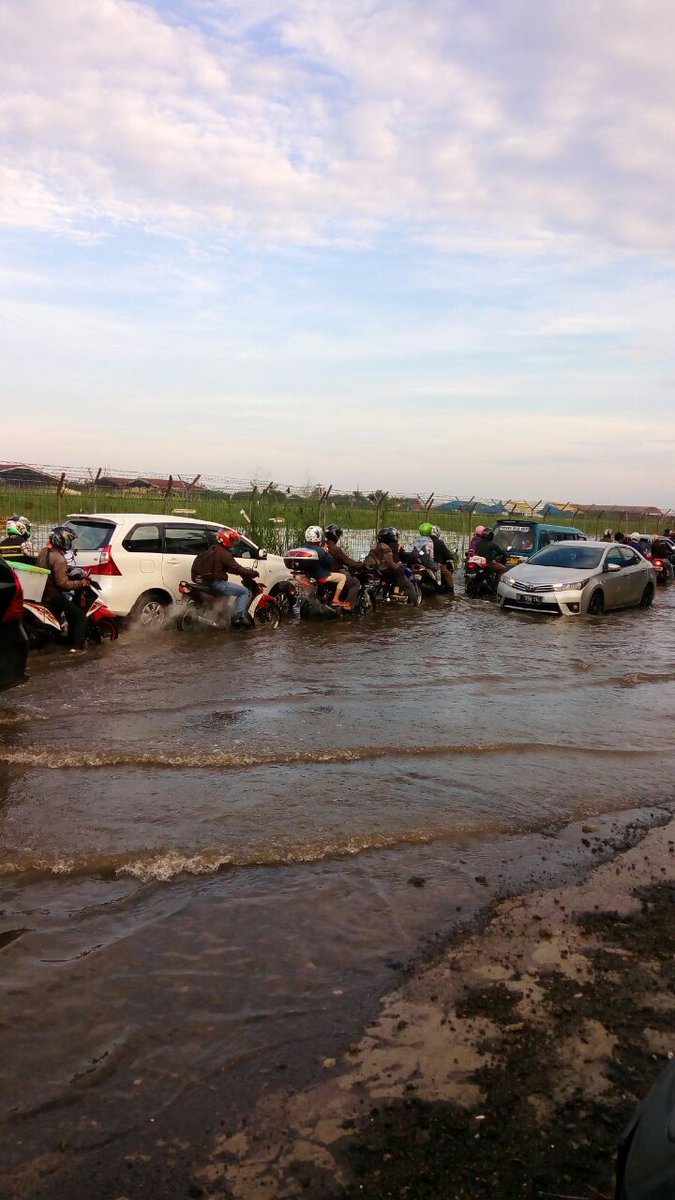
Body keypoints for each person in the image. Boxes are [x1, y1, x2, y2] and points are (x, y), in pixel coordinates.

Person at [191, 528, 259, 627]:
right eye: (231, 540)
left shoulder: (213, 549)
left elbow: (224, 568)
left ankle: (221, 617)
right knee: (244, 592)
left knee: (227, 596)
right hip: (217, 583)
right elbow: (237, 567)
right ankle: (238, 617)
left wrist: (237, 572)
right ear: (225, 539)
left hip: (205, 582)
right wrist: (252, 573)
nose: (232, 543)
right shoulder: (224, 554)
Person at [35, 526, 87, 651]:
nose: (70, 542)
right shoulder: (59, 558)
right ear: (61, 540)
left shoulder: (44, 552)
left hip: (42, 592)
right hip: (54, 596)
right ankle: (78, 647)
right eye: (69, 539)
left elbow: (51, 569)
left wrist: (68, 568)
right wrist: (81, 583)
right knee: (79, 616)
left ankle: (64, 638)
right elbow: (62, 584)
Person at [365, 527, 419, 603]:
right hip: (385, 570)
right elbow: (391, 564)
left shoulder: (375, 546)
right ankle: (415, 605)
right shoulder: (388, 548)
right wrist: (399, 564)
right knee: (408, 583)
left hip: (376, 569)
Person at [301, 526, 348, 606]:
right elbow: (329, 561)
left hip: (309, 574)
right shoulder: (319, 549)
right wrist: (326, 551)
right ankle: (335, 599)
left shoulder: (305, 547)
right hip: (320, 575)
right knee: (342, 577)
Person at [324, 525, 361, 610]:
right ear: (336, 536)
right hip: (332, 574)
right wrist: (360, 564)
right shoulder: (336, 549)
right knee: (355, 582)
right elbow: (349, 562)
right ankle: (348, 605)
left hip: (321, 573)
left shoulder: (322, 545)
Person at [430, 525, 455, 594]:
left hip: (424, 563)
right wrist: (451, 557)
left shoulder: (425, 541)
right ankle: (451, 592)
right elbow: (447, 555)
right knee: (448, 575)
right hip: (436, 565)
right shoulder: (439, 542)